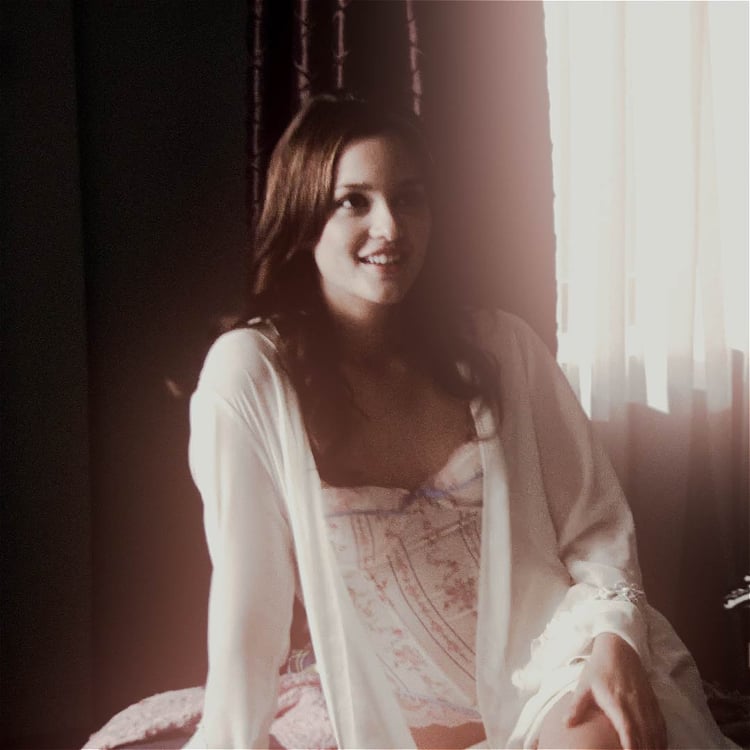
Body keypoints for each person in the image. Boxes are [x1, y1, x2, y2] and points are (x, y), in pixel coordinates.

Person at [183, 93, 737, 749]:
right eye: (353, 201)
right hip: (400, 720)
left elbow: (595, 529)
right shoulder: (250, 373)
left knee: (598, 742)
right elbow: (249, 609)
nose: (390, 226)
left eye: (409, 198)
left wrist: (614, 640)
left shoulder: (501, 348)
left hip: (555, 669)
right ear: (304, 218)